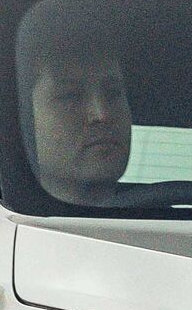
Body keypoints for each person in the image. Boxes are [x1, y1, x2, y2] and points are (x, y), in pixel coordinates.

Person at [24, 33, 138, 204]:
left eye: (113, 93)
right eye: (70, 97)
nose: (101, 115)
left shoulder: (166, 224)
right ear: (23, 117)